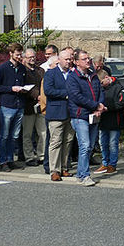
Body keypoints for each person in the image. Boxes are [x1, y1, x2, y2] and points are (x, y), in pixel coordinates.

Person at [66, 49, 104, 187]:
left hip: (94, 115)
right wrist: (96, 106)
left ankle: (81, 174)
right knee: (85, 145)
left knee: (89, 147)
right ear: (76, 62)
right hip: (80, 115)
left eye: (88, 58)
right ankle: (85, 175)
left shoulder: (92, 75)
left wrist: (100, 105)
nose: (88, 60)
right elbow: (76, 97)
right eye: (84, 59)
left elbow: (100, 91)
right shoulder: (72, 77)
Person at [0, 43, 31, 172]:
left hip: (19, 104)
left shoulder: (22, 68)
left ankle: (10, 159)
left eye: (21, 54)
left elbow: (24, 84)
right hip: (7, 105)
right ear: (11, 54)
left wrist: (24, 90)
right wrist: (11, 88)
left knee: (14, 135)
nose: (20, 56)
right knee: (5, 135)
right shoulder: (3, 68)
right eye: (17, 54)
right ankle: (3, 161)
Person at [43, 47, 74, 181]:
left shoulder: (73, 74)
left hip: (70, 113)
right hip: (56, 113)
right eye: (66, 59)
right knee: (55, 142)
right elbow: (48, 90)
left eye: (70, 59)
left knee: (68, 141)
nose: (69, 61)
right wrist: (66, 94)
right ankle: (54, 170)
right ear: (59, 60)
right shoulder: (51, 73)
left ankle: (64, 167)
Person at [95, 70, 124, 175]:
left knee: (113, 143)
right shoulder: (101, 89)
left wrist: (107, 108)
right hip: (103, 120)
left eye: (102, 82)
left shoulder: (119, 88)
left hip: (114, 120)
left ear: (107, 77)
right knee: (103, 143)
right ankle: (105, 162)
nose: (101, 85)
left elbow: (121, 103)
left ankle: (112, 164)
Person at [21, 52, 46, 169]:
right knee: (27, 134)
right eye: (29, 57)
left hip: (41, 107)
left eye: (33, 56)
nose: (32, 59)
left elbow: (44, 85)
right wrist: (37, 95)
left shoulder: (40, 70)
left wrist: (42, 97)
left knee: (43, 133)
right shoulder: (22, 71)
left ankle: (41, 155)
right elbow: (24, 86)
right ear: (24, 58)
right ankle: (29, 156)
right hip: (28, 107)